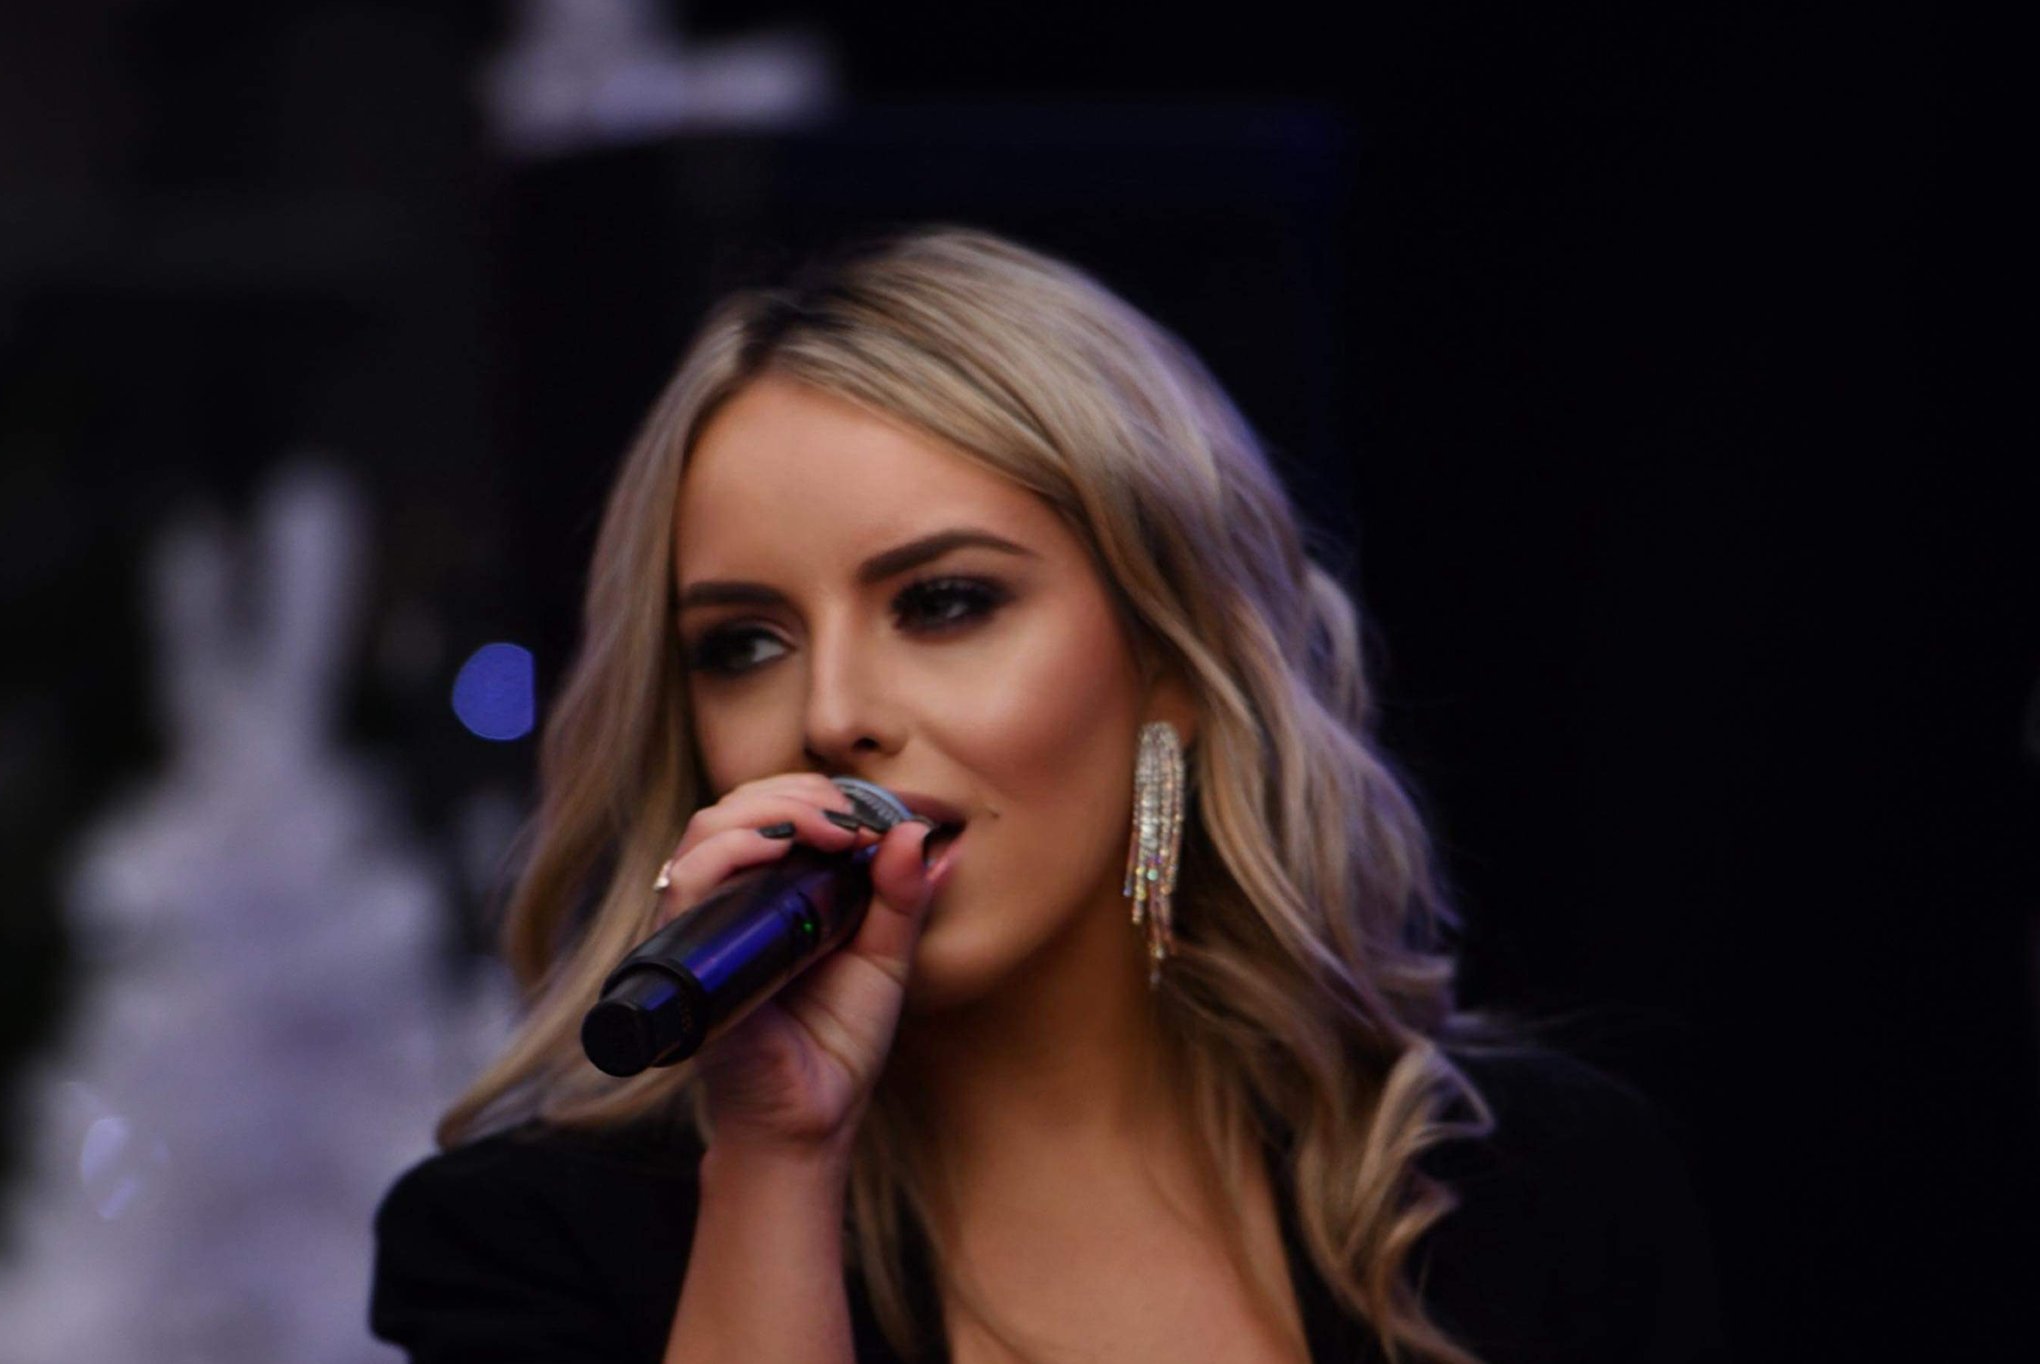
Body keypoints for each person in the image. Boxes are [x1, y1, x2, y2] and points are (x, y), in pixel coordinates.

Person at [369, 225, 1728, 1363]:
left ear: (1169, 662)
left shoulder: (1541, 1187)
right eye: (744, 645)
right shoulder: (532, 1246)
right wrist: (776, 1164)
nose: (831, 712)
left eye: (943, 602)